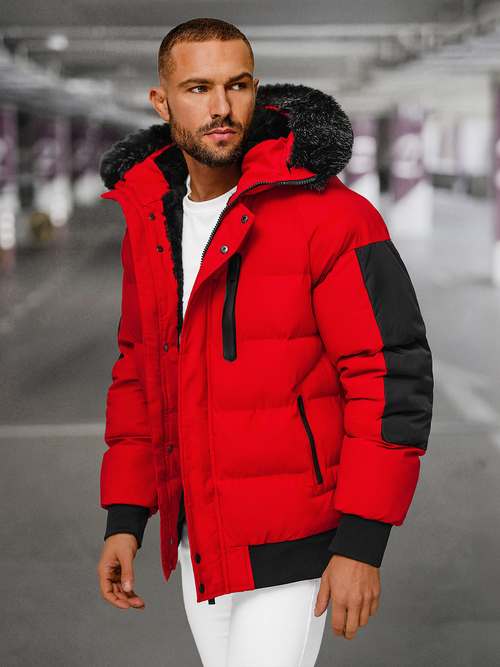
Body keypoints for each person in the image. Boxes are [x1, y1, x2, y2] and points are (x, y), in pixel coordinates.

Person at [97, 17, 433, 667]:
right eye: (198, 88)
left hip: (299, 537)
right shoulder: (151, 223)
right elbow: (139, 370)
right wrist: (126, 516)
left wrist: (363, 540)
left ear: (256, 90)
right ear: (162, 102)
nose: (222, 107)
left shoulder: (333, 215)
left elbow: (391, 373)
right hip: (201, 538)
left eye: (238, 85)